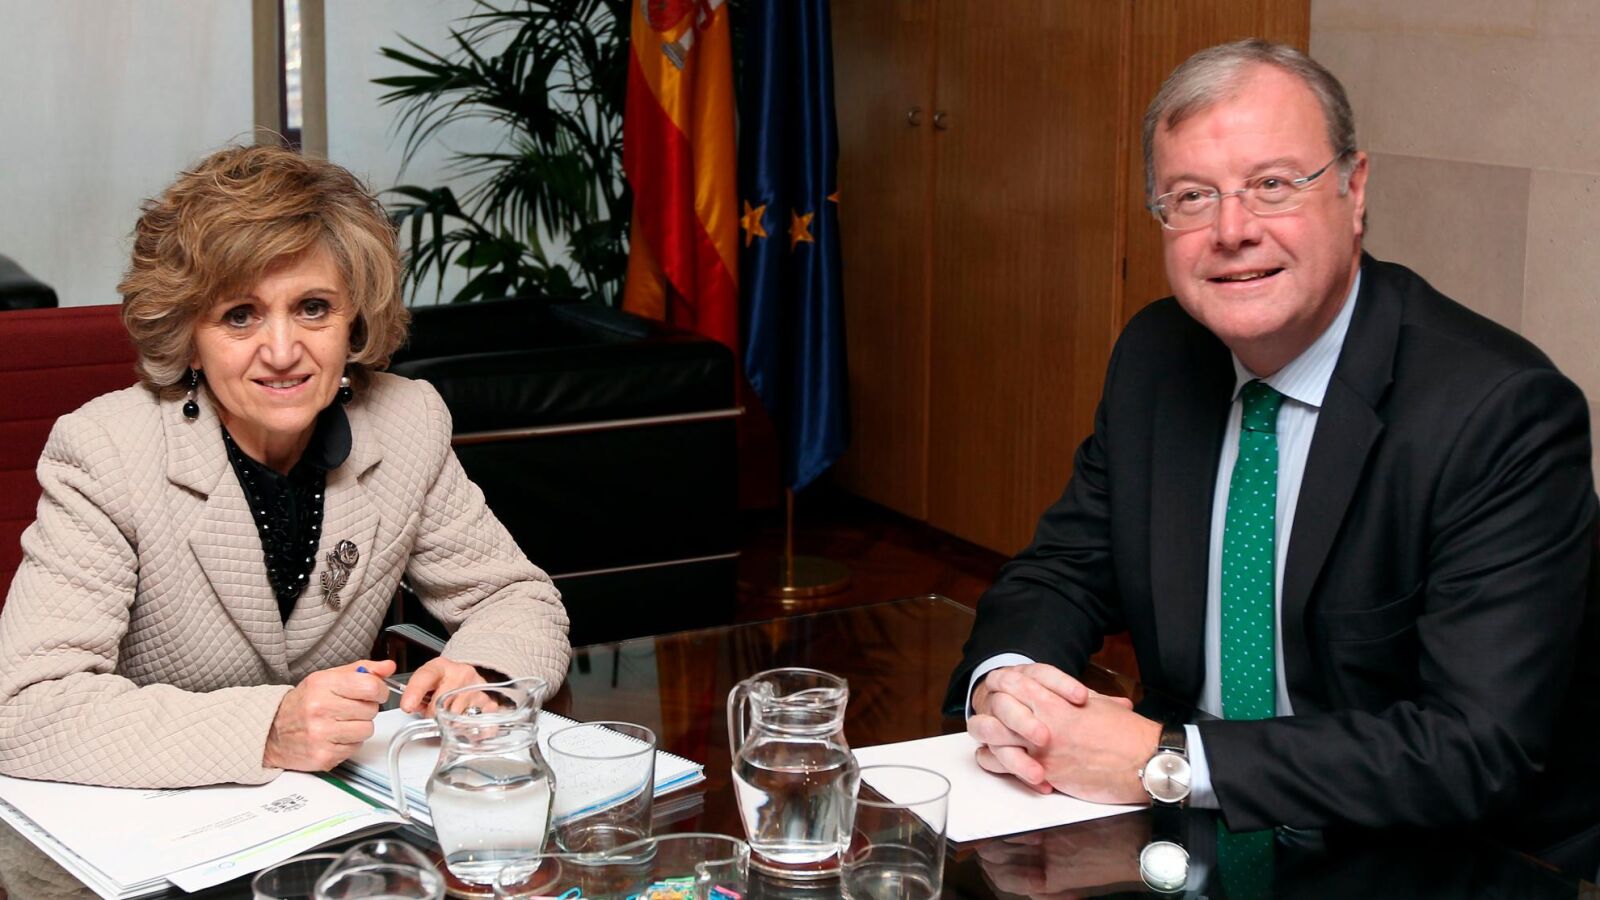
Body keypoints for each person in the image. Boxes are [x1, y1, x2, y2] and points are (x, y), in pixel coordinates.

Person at [946, 39, 1600, 873]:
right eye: (1192, 196)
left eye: (1273, 185)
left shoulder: (1498, 412)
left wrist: (1167, 760)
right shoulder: (1158, 355)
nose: (1232, 231)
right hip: (1198, 849)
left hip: (1440, 860)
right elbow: (1062, 571)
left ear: (1354, 191)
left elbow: (1474, 747)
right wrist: (1009, 684)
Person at [0, 145, 571, 788]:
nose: (281, 351)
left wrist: (485, 677)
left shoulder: (406, 421)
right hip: (160, 820)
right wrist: (269, 728)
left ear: (354, 319)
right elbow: (24, 708)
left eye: (313, 308)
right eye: (239, 316)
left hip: (341, 816)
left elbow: (513, 596)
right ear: (190, 338)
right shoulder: (106, 451)